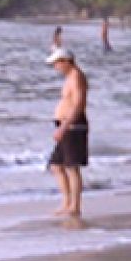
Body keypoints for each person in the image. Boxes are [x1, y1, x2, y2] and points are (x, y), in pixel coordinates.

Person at [46, 48, 89, 218]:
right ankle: (67, 202)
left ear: (66, 61)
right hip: (65, 125)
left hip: (73, 126)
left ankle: (75, 206)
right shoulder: (70, 77)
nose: (56, 67)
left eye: (57, 63)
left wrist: (64, 127)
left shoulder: (77, 77)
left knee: (72, 167)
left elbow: (78, 104)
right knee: (57, 166)